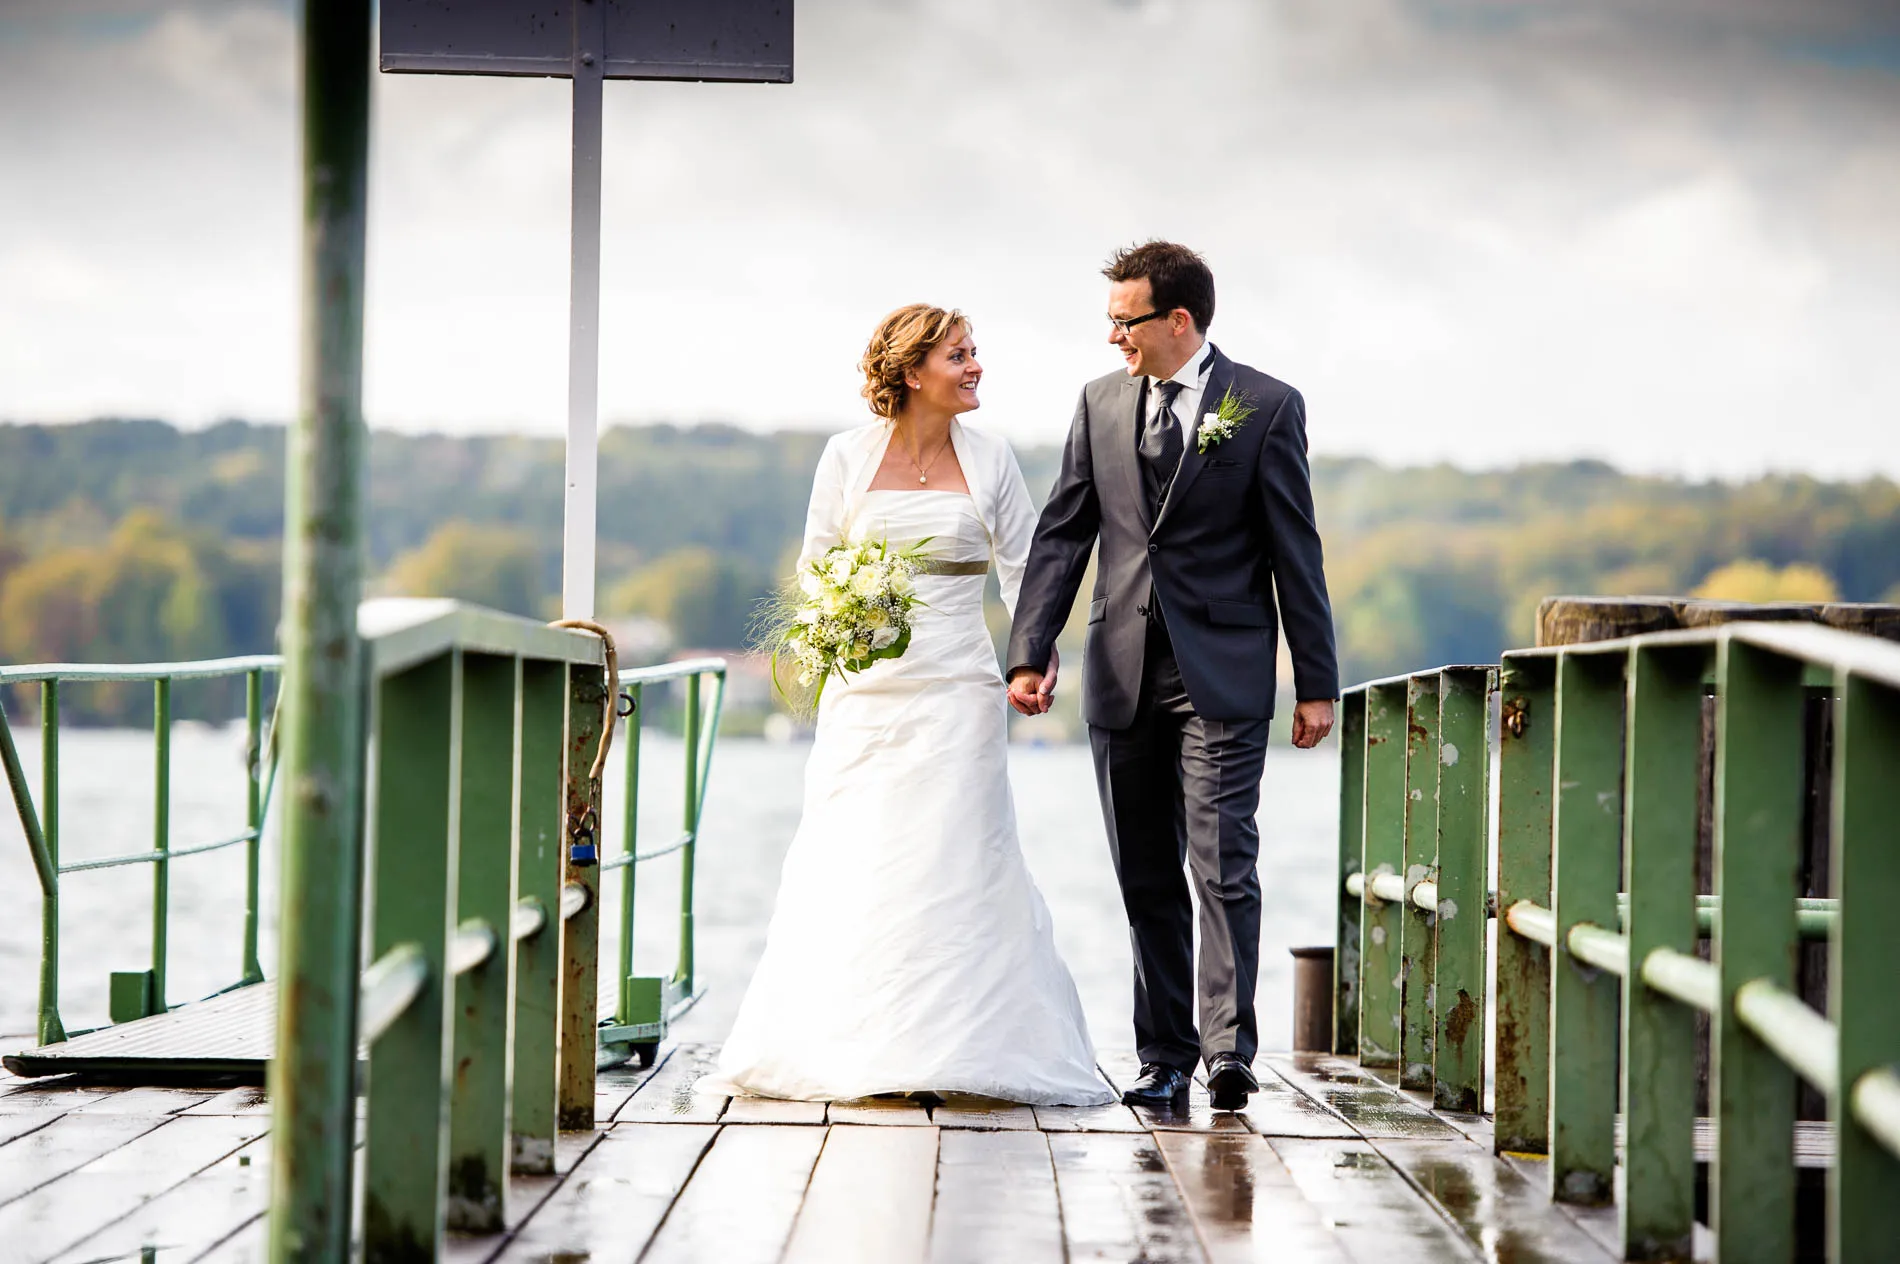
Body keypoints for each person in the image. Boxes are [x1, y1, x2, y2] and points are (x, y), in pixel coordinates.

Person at [708, 304, 1115, 1106]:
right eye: (959, 356)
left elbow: (1027, 570)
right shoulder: (846, 457)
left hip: (960, 688)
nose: (975, 367)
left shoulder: (992, 458)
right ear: (911, 371)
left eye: (975, 353)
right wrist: (845, 628)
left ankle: (964, 1043)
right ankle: (853, 1037)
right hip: (866, 694)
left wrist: (1032, 656)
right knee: (860, 852)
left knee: (958, 852)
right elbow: (817, 567)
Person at [1006, 241, 1339, 1112]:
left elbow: (1293, 549)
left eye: (1126, 321)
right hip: (1118, 672)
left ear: (1177, 320)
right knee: (1144, 872)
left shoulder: (1266, 406)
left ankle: (1229, 1052)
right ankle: (1163, 1054)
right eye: (1110, 321)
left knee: (1224, 861)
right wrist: (1029, 650)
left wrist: (1315, 680)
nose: (1114, 338)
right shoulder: (1098, 402)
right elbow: (1064, 532)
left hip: (1221, 673)